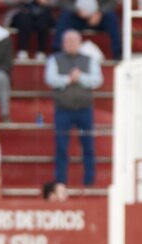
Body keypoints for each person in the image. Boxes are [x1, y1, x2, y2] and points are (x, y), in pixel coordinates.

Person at [46, 29, 101, 187]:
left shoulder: (89, 59)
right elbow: (51, 79)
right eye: (67, 42)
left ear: (79, 43)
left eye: (73, 41)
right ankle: (61, 180)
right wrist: (68, 79)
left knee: (88, 146)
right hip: (63, 108)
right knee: (61, 146)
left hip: (85, 109)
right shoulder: (55, 59)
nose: (70, 45)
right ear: (63, 44)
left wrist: (80, 77)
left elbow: (97, 80)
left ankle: (89, 180)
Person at [54, 0, 120, 60]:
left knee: (111, 16)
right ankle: (57, 50)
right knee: (65, 15)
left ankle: (118, 52)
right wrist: (77, 10)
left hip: (99, 19)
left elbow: (112, 2)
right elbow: (63, 2)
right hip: (77, 17)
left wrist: (100, 12)